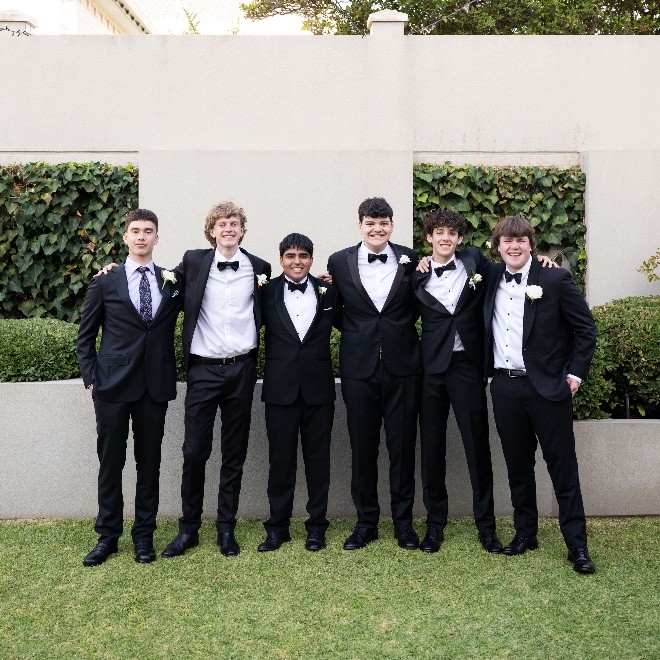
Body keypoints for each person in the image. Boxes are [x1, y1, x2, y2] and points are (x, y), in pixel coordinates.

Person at [484, 216, 596, 574]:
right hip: (505, 387)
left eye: (521, 240)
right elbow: (453, 259)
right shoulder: (489, 277)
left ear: (531, 245)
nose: (514, 246)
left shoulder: (554, 278)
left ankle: (577, 545)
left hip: (547, 388)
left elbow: (585, 330)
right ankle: (525, 534)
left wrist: (575, 375)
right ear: (497, 247)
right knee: (518, 467)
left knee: (563, 468)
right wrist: (424, 261)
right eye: (507, 241)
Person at [161, 201, 271, 558]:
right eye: (222, 224)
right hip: (204, 370)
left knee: (234, 453)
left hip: (242, 369)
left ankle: (226, 528)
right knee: (194, 451)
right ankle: (188, 529)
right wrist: (117, 269)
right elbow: (160, 279)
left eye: (234, 223)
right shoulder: (194, 261)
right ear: (211, 231)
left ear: (242, 230)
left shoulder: (260, 268)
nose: (228, 228)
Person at [77, 208, 182, 566]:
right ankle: (107, 536)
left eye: (148, 231)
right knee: (111, 463)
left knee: (149, 464)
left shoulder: (172, 281)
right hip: (111, 386)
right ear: (125, 237)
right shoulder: (105, 281)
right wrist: (91, 378)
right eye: (135, 230)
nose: (141, 236)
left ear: (157, 237)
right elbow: (85, 336)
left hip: (154, 386)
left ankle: (143, 536)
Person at [327, 197, 422, 550]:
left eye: (383, 223)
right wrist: (360, 333)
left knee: (403, 448)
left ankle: (403, 524)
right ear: (360, 226)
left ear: (392, 226)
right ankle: (366, 523)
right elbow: (336, 309)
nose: (377, 229)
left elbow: (417, 305)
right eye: (370, 223)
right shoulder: (339, 261)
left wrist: (392, 333)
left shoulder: (411, 258)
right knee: (362, 448)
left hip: (404, 366)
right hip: (358, 367)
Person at [414, 209, 502, 553]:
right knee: (432, 449)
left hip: (467, 366)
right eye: (439, 232)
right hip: (431, 370)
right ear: (429, 237)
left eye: (451, 233)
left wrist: (541, 261)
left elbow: (509, 268)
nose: (445, 238)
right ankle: (434, 526)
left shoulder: (474, 261)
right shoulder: (415, 273)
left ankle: (487, 528)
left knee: (477, 446)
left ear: (460, 238)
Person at [257, 233, 338, 552]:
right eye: (290, 255)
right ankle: (277, 527)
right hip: (280, 390)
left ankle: (316, 527)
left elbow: (354, 322)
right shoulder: (265, 292)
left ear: (311, 260)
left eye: (303, 255)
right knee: (280, 462)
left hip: (319, 389)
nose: (297, 261)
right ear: (281, 260)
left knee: (319, 461)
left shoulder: (329, 291)